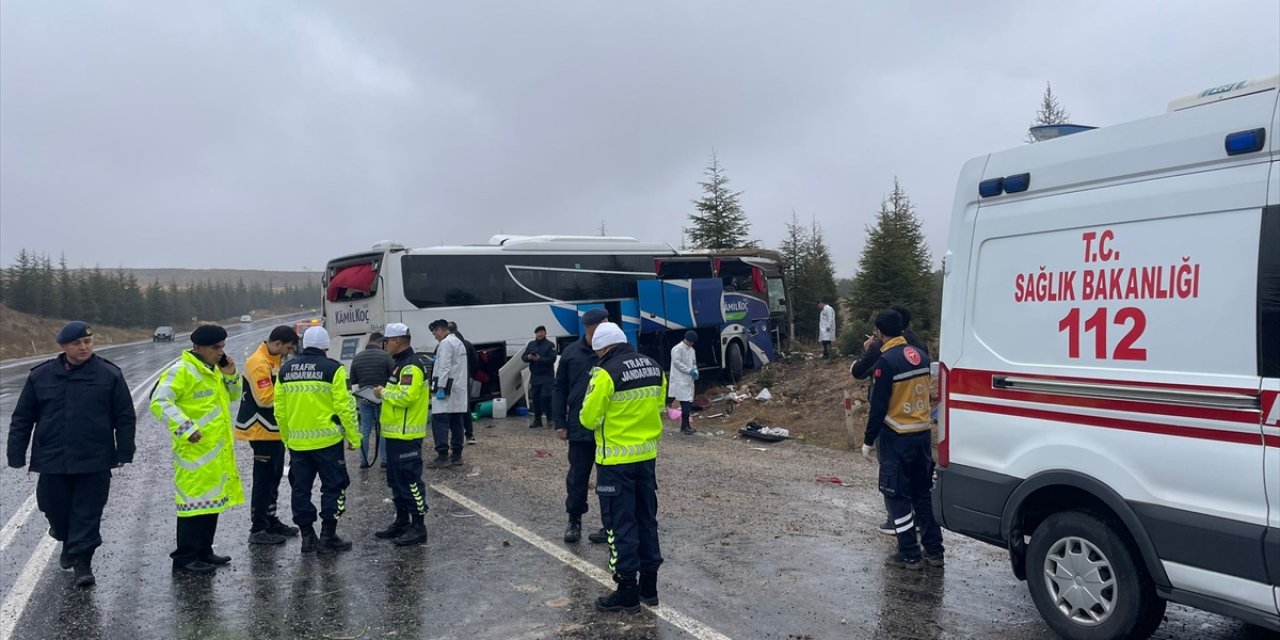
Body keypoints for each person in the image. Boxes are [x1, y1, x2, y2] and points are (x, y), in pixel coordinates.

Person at [7, 321, 136, 588]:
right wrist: (16, 453)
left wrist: (124, 450)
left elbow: (124, 417)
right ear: (63, 346)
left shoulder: (109, 375)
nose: (83, 347)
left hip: (94, 459)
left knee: (87, 513)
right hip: (52, 459)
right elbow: (22, 418)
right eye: (77, 343)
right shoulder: (40, 376)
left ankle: (82, 564)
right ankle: (66, 538)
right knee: (53, 508)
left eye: (87, 342)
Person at [579, 322, 667, 612]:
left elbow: (588, 418)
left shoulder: (605, 372)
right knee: (646, 519)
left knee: (619, 524)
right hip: (646, 457)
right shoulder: (653, 366)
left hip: (615, 462)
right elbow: (659, 407)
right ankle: (649, 587)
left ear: (603, 348)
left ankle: (627, 589)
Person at [150, 324, 245, 575]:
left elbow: (235, 395)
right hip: (194, 453)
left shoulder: (213, 370)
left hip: (215, 451)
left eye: (223, 347)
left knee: (210, 503)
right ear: (198, 347)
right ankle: (185, 558)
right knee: (193, 505)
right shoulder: (183, 370)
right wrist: (186, 428)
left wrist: (231, 373)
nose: (221, 352)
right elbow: (159, 401)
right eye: (216, 347)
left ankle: (204, 551)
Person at [861, 309, 944, 570]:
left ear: (880, 332)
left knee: (896, 497)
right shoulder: (919, 355)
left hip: (895, 436)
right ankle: (935, 551)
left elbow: (879, 405)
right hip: (921, 435)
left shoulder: (886, 362)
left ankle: (909, 553)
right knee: (922, 495)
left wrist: (867, 439)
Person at [274, 327, 361, 555]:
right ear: (325, 346)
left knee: (300, 490)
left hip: (298, 445)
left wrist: (287, 439)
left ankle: (307, 537)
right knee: (334, 487)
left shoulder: (285, 370)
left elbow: (279, 412)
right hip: (328, 443)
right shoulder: (334, 369)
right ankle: (327, 536)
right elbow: (346, 407)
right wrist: (354, 437)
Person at [234, 325, 300, 545]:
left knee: (273, 478)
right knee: (263, 480)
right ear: (277, 343)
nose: (288, 352)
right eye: (288, 348)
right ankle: (259, 527)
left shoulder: (273, 359)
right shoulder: (258, 363)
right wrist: (293, 396)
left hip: (274, 430)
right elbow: (265, 399)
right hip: (261, 430)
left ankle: (271, 519)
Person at [552, 308, 610, 544]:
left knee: (608, 479)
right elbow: (560, 388)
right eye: (599, 326)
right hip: (578, 426)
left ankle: (610, 524)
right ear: (588, 327)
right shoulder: (571, 353)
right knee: (577, 477)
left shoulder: (611, 353)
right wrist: (559, 422)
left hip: (608, 427)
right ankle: (574, 520)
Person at [372, 322, 430, 546]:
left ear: (397, 341)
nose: (384, 345)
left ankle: (418, 526)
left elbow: (407, 397)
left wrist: (382, 392)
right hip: (395, 434)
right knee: (396, 481)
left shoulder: (411, 366)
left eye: (386, 341)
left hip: (407, 436)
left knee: (411, 482)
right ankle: (402, 521)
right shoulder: (399, 364)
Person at [350, 331, 394, 468]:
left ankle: (363, 461)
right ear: (381, 342)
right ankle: (384, 460)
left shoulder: (357, 357)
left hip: (365, 398)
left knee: (365, 430)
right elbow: (392, 377)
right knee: (383, 429)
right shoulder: (386, 356)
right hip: (382, 398)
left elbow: (354, 380)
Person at [429, 319, 468, 467]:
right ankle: (457, 455)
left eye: (434, 333)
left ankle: (442, 455)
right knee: (457, 421)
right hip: (458, 389)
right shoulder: (458, 342)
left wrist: (440, 387)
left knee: (439, 422)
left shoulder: (445, 343)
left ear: (440, 330)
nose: (434, 336)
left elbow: (444, 367)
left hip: (446, 390)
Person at [448, 322, 480, 445]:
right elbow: (475, 361)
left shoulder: (444, 345)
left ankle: (455, 436)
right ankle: (469, 434)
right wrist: (471, 373)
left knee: (451, 408)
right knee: (465, 406)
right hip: (465, 379)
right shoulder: (467, 344)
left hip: (449, 381)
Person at [522, 325, 557, 428]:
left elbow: (552, 359)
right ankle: (538, 420)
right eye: (538, 332)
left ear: (546, 333)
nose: (540, 334)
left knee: (546, 397)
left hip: (547, 375)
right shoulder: (531, 344)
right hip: (535, 375)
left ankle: (550, 419)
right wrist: (528, 357)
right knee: (535, 398)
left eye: (542, 332)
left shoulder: (550, 345)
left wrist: (540, 359)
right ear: (535, 334)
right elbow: (523, 357)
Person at [668, 331, 699, 435]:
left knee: (688, 404)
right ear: (687, 340)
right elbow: (677, 363)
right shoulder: (677, 349)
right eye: (690, 342)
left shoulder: (692, 350)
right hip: (679, 380)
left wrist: (695, 371)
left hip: (688, 380)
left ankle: (685, 426)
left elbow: (694, 363)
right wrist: (688, 370)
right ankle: (685, 427)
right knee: (685, 405)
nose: (691, 344)